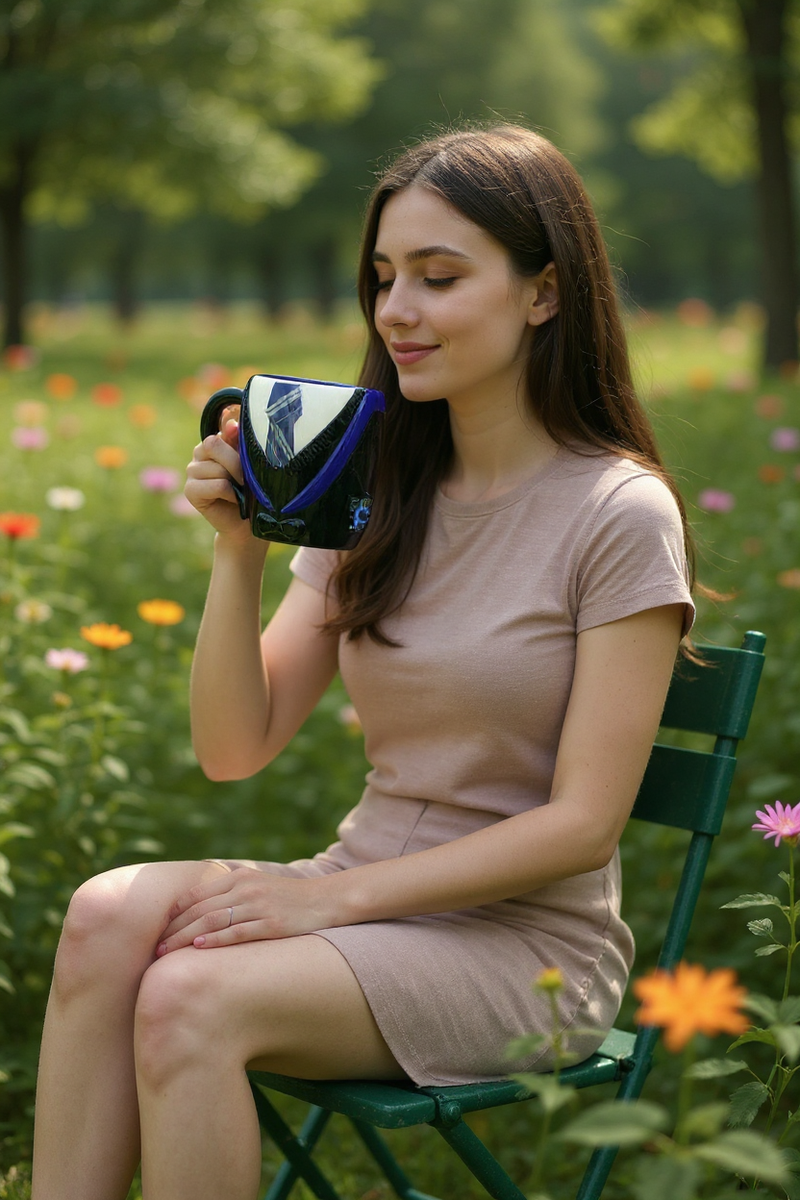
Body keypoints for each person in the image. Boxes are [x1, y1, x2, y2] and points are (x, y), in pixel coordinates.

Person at [31, 124, 695, 1200]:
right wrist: (236, 554)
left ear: (542, 293)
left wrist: (326, 909)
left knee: (188, 997)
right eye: (383, 278)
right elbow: (232, 749)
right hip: (363, 896)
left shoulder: (616, 514)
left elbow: (581, 824)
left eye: (438, 277)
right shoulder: (369, 492)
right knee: (107, 915)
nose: (395, 311)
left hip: (524, 951)